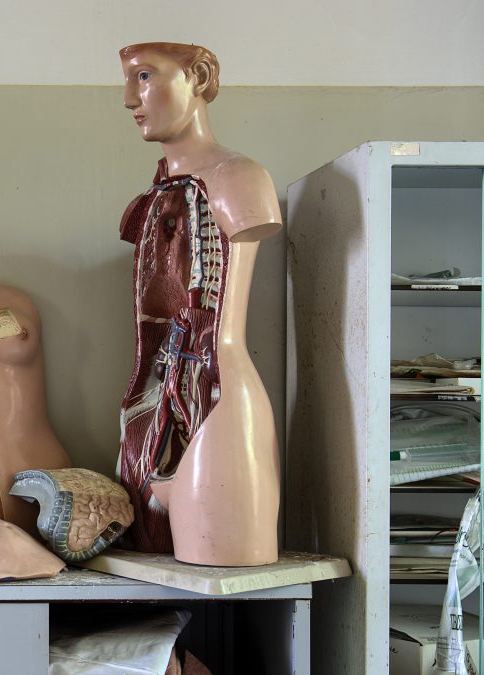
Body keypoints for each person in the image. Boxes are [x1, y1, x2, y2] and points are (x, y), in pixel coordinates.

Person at [115, 42, 280, 566]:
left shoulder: (239, 178)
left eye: (144, 77)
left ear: (199, 77)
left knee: (223, 576)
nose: (128, 98)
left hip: (219, 399)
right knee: (154, 570)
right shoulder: (160, 192)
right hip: (153, 403)